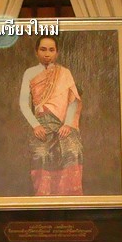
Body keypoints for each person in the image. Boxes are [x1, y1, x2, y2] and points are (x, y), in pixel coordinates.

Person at [18, 36, 83, 196]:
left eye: (51, 50)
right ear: (36, 52)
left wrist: (67, 124)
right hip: (41, 123)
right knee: (40, 154)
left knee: (73, 151)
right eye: (43, 49)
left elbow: (73, 101)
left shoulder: (65, 73)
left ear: (57, 53)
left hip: (63, 123)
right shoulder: (30, 73)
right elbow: (23, 103)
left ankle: (68, 197)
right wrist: (35, 125)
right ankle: (44, 197)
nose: (47, 54)